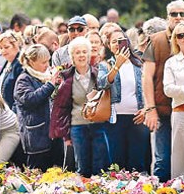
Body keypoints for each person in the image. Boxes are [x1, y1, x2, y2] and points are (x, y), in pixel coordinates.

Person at [143, 0, 184, 182]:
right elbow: (146, 77)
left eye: (182, 13)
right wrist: (150, 109)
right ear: (167, 16)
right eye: (174, 14)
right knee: (163, 160)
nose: (178, 17)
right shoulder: (156, 40)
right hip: (163, 109)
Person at [51, 37, 111, 177]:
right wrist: (65, 135)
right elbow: (62, 108)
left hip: (98, 124)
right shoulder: (67, 79)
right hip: (77, 126)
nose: (82, 55)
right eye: (78, 52)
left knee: (99, 167)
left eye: (84, 52)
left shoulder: (98, 74)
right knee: (83, 168)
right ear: (72, 56)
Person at [97, 30, 149, 173]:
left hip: (137, 117)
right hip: (115, 119)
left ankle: (139, 192)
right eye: (114, 41)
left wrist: (146, 109)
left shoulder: (139, 63)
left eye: (121, 40)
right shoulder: (105, 65)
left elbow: (148, 88)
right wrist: (117, 66)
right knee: (117, 163)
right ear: (108, 46)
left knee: (137, 163)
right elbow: (102, 83)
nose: (118, 44)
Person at [14, 44, 62, 171]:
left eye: (48, 61)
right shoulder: (23, 80)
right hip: (36, 138)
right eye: (43, 62)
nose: (47, 65)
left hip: (51, 136)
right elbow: (31, 99)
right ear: (31, 62)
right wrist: (50, 84)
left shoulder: (43, 77)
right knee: (37, 174)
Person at [163, 21, 184, 179]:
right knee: (181, 153)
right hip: (182, 111)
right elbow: (168, 88)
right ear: (176, 40)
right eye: (181, 35)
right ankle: (181, 193)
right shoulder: (171, 63)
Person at [0, 31, 24, 111]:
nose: (3, 51)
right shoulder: (7, 63)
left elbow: (20, 95)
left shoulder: (20, 65)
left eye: (6, 47)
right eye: (1, 48)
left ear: (16, 45)